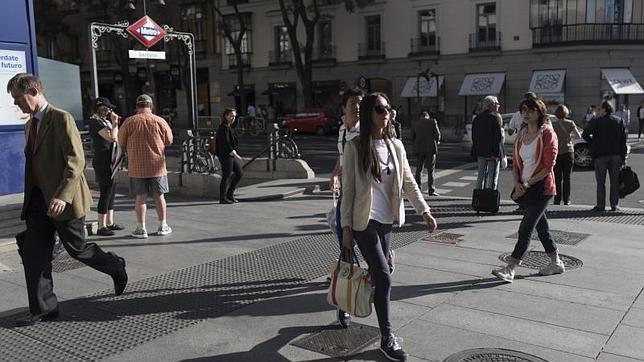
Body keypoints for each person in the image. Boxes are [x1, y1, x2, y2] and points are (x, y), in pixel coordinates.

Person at [7, 73, 127, 326]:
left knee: (77, 249)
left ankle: (115, 265)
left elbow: (76, 160)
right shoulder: (29, 125)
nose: (15, 103)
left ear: (33, 92)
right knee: (34, 254)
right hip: (39, 202)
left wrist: (62, 195)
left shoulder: (61, 118)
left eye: (18, 97)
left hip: (65, 197)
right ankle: (44, 308)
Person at [341, 92, 437, 362]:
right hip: (363, 222)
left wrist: (425, 211)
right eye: (381, 109)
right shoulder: (354, 147)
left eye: (389, 109)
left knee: (381, 273)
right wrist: (346, 229)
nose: (387, 113)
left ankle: (350, 303)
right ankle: (387, 339)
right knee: (384, 276)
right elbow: (347, 192)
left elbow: (409, 182)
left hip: (386, 222)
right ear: (371, 112)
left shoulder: (395, 145)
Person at [492, 96, 562, 283]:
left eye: (530, 110)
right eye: (523, 110)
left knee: (525, 228)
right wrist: (517, 183)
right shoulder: (522, 132)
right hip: (525, 187)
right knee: (542, 228)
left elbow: (549, 166)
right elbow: (516, 161)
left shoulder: (547, 133)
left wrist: (528, 183)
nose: (525, 113)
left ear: (539, 112)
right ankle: (556, 262)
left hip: (542, 188)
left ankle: (511, 267)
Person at [329, 87, 363, 328]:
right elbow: (342, 159)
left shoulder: (369, 131)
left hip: (366, 199)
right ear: (343, 107)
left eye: (360, 102)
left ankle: (385, 260)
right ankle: (344, 303)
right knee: (346, 246)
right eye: (352, 102)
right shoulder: (342, 131)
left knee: (365, 247)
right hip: (345, 198)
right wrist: (334, 174)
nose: (357, 106)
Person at [118, 94, 173, 238]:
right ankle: (163, 225)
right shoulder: (160, 121)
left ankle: (141, 228)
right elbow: (169, 140)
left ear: (137, 107)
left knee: (140, 198)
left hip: (136, 167)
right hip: (157, 166)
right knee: (159, 196)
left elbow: (121, 141)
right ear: (151, 106)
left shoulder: (129, 122)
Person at [582, 101, 628, 212]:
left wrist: (593, 143)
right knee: (615, 182)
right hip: (616, 155)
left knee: (601, 182)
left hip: (601, 155)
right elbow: (624, 140)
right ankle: (614, 205)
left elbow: (585, 134)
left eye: (599, 109)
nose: (598, 111)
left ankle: (600, 205)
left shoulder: (597, 121)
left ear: (604, 109)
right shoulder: (619, 121)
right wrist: (624, 155)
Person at [89, 97, 125, 236]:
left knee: (112, 191)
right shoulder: (95, 122)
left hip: (111, 159)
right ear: (100, 108)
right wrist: (115, 124)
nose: (110, 111)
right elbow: (112, 138)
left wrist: (114, 124)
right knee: (106, 191)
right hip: (103, 161)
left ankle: (110, 222)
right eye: (107, 108)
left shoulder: (104, 121)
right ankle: (101, 226)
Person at [471, 95, 503, 190]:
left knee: (480, 176)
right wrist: (496, 154)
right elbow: (497, 138)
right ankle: (489, 198)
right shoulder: (494, 118)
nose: (498, 106)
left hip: (480, 151)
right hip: (491, 153)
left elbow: (474, 137)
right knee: (491, 178)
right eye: (497, 103)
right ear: (492, 105)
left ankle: (479, 197)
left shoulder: (477, 118)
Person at [552, 104, 581, 205]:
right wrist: (569, 136)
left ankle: (557, 199)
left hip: (557, 152)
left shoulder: (553, 124)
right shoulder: (570, 123)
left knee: (557, 177)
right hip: (568, 152)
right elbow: (578, 136)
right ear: (566, 113)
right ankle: (567, 199)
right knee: (567, 177)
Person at [215, 108, 243, 204]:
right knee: (226, 175)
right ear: (225, 116)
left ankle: (229, 194)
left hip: (229, 154)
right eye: (231, 115)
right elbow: (225, 143)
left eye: (234, 116)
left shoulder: (228, 126)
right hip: (226, 155)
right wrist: (235, 154)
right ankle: (222, 198)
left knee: (239, 173)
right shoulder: (224, 127)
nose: (233, 118)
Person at [411, 111, 441, 196]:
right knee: (430, 170)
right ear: (427, 116)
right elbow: (437, 134)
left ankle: (418, 189)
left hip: (419, 149)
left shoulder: (415, 123)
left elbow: (412, 136)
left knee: (419, 169)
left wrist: (416, 144)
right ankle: (431, 190)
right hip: (430, 148)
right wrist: (437, 141)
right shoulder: (432, 122)